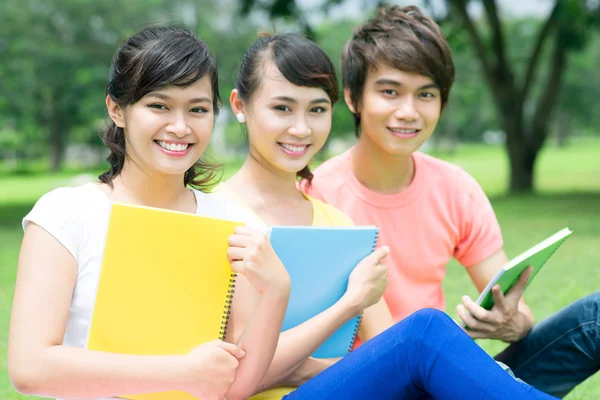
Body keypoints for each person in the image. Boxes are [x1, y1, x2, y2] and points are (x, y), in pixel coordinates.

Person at [215, 32, 557, 400]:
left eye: (316, 109)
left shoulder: (339, 224)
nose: (301, 128)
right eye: (282, 108)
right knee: (425, 330)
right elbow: (235, 376)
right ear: (240, 105)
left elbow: (389, 354)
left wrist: (310, 366)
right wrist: (350, 304)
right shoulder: (215, 216)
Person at [304, 5, 600, 397]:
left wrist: (511, 323)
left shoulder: (455, 188)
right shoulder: (314, 196)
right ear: (353, 97)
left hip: (445, 375)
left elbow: (518, 311)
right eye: (390, 91)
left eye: (425, 94)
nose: (408, 112)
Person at [7, 26, 291, 400]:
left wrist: (277, 291)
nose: (179, 126)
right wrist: (182, 372)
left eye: (198, 109)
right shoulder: (66, 215)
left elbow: (236, 388)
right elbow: (30, 368)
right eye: (159, 105)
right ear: (116, 109)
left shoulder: (232, 224)